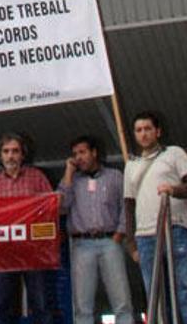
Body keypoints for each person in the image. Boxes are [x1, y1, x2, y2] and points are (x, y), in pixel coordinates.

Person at [124, 112, 187, 324]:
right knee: (154, 293)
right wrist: (131, 243)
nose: (143, 134)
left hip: (175, 227)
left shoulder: (174, 153)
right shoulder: (131, 164)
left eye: (148, 129)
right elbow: (128, 204)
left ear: (158, 131)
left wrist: (174, 190)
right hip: (144, 236)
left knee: (186, 286)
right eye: (139, 130)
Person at [58, 135, 133, 324]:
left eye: (82, 152)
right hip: (82, 243)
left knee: (122, 301)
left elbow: (126, 206)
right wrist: (68, 172)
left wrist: (119, 233)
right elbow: (61, 206)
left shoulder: (115, 176)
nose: (78, 157)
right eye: (75, 154)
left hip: (110, 241)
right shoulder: (71, 180)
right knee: (83, 306)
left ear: (94, 152)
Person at [0, 132, 53, 324]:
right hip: (3, 252)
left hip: (32, 250)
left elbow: (49, 211)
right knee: (0, 306)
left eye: (15, 151)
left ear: (23, 154)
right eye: (6, 151)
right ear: (0, 155)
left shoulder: (36, 177)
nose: (10, 156)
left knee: (41, 304)